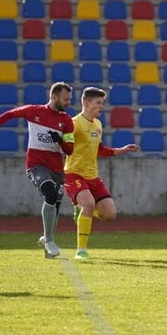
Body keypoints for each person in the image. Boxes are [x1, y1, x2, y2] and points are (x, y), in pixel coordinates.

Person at [0, 83, 75, 259]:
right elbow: (10, 114)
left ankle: (48, 240)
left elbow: (70, 150)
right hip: (36, 165)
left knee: (56, 205)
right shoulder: (34, 111)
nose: (69, 102)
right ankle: (49, 240)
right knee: (50, 195)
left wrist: (60, 141)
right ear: (54, 97)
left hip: (56, 167)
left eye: (69, 99)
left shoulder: (67, 121)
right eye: (66, 99)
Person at [63, 87, 140, 259]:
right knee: (89, 204)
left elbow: (99, 149)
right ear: (86, 102)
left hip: (93, 177)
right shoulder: (74, 123)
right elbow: (64, 145)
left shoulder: (98, 124)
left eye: (102, 103)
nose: (101, 106)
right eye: (98, 102)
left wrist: (122, 150)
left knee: (110, 215)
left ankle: (81, 210)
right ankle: (81, 250)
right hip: (74, 174)